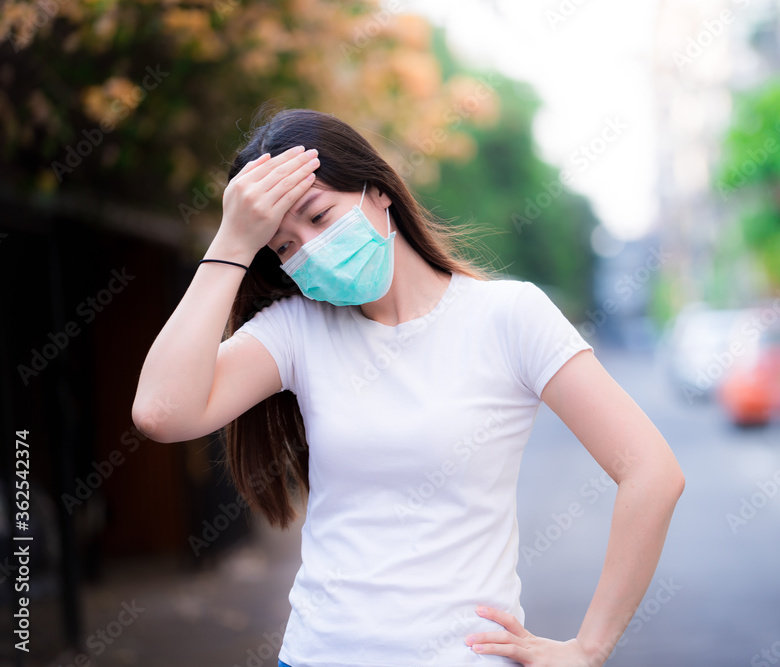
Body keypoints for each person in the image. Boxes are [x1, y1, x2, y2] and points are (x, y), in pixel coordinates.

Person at [131, 108, 685, 667]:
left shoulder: (508, 317)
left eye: (319, 216)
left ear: (378, 191)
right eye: (283, 246)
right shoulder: (297, 331)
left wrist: (589, 649)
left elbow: (651, 472)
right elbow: (161, 412)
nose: (309, 250)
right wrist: (232, 241)